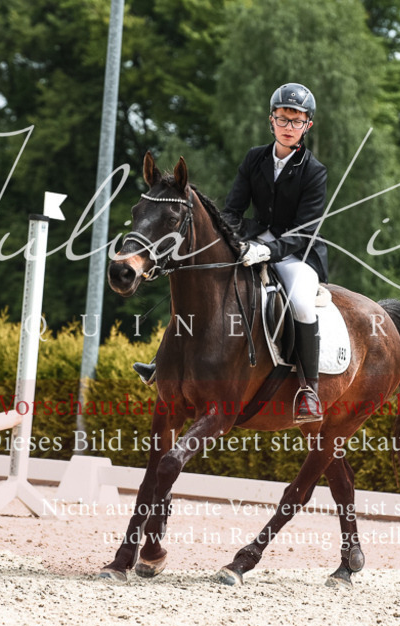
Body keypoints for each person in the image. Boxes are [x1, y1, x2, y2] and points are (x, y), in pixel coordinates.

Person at [134, 82, 329, 423]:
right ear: (271, 120)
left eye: (297, 121)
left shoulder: (314, 171)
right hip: (251, 240)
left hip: (296, 252)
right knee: (202, 283)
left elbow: (303, 231)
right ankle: (163, 362)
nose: (288, 127)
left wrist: (267, 250)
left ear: (307, 125)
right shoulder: (255, 158)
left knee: (299, 301)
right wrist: (226, 238)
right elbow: (234, 210)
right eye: (283, 119)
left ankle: (308, 390)